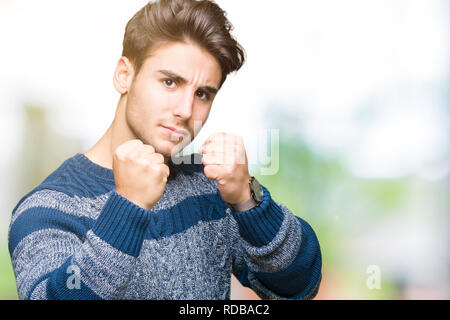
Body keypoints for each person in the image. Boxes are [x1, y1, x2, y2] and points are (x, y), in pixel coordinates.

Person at [8, 0, 322, 300]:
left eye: (202, 93)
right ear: (124, 75)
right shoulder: (47, 208)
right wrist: (128, 207)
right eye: (170, 82)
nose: (186, 110)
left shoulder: (211, 187)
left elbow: (300, 285)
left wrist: (247, 200)